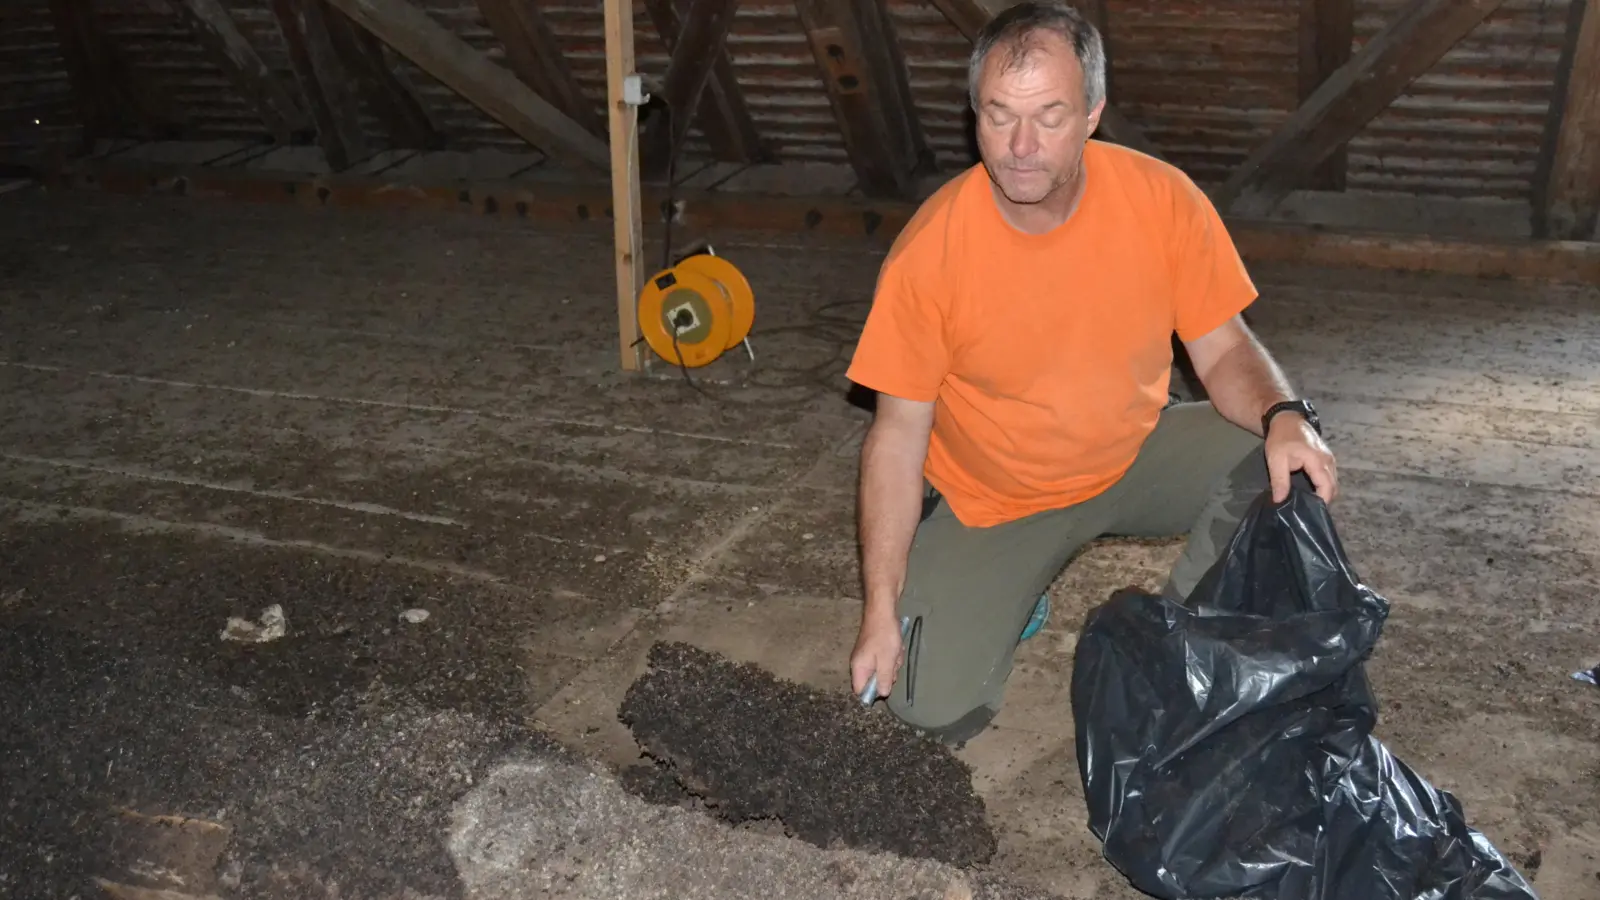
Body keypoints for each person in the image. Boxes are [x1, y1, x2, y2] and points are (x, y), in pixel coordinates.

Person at [843, 0, 1338, 746]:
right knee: (926, 711)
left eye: (1050, 115)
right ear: (973, 112)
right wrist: (878, 609)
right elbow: (896, 439)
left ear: (1094, 113)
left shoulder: (1161, 199)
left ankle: (1175, 643)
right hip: (996, 501)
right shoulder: (930, 254)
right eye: (998, 114)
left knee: (1283, 461)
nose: (1019, 145)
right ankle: (1011, 593)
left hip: (1131, 453)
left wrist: (1285, 413)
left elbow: (1226, 351)